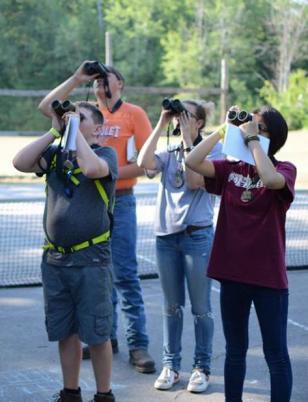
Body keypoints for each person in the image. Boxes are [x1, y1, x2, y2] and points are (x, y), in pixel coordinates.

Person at [38, 61, 155, 373]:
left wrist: (107, 172)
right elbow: (45, 108)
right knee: (100, 276)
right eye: (98, 80)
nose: (102, 83)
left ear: (121, 85)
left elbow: (146, 162)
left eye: (109, 79)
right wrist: (78, 77)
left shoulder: (133, 113)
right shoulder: (84, 114)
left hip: (121, 198)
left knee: (125, 274)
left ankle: (138, 343)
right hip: (86, 199)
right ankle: (106, 337)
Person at [185, 106, 295, 401]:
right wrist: (224, 128)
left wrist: (253, 139)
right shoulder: (231, 168)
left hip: (268, 279)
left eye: (260, 128)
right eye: (250, 127)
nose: (250, 132)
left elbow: (271, 181)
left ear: (273, 137)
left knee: (276, 354)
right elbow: (192, 160)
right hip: (232, 274)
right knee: (235, 351)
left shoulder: (284, 169)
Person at [13, 102, 118, 402]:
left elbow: (91, 169)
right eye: (71, 115)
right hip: (56, 260)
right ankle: (70, 392)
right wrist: (53, 131)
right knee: (65, 331)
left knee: (97, 333)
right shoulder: (57, 154)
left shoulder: (105, 154)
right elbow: (20, 162)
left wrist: (75, 133)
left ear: (97, 127)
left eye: (81, 118)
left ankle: (104, 394)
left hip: (92, 260)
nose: (72, 119)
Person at [138, 100, 222, 393]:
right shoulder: (169, 148)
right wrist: (161, 122)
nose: (178, 119)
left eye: (184, 115)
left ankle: (202, 367)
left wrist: (188, 141)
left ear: (198, 122)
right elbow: (143, 163)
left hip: (197, 236)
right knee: (171, 307)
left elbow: (196, 180)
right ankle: (171, 365)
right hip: (166, 238)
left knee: (201, 308)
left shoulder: (213, 150)